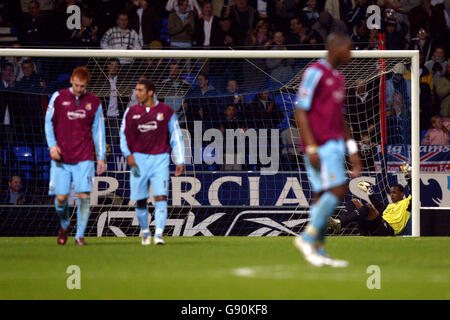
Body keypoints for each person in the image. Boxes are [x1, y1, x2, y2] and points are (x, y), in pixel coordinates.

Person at [293, 33, 362, 267]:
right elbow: (300, 110)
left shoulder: (339, 78)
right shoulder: (315, 73)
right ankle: (308, 237)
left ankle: (318, 252)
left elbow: (340, 118)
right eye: (349, 49)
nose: (351, 54)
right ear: (336, 48)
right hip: (319, 145)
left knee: (322, 195)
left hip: (334, 144)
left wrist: (352, 150)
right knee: (338, 189)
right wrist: (311, 145)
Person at [45, 66, 106, 246]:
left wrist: (100, 157)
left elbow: (98, 131)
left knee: (84, 196)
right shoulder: (58, 97)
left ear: (87, 84)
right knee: (61, 199)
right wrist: (52, 146)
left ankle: (79, 235)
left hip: (84, 156)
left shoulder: (94, 102)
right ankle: (65, 224)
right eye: (77, 85)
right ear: (71, 79)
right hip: (61, 156)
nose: (79, 89)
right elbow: (48, 124)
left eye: (82, 86)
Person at [120, 79, 185, 245]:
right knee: (140, 199)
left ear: (150, 92)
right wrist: (128, 154)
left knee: (160, 196)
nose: (137, 93)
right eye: (136, 90)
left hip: (160, 159)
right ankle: (145, 232)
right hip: (138, 160)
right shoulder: (131, 112)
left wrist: (180, 159)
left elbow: (176, 136)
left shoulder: (167, 111)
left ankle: (159, 234)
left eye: (140, 90)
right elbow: (123, 135)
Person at [329, 163, 413, 236]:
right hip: (378, 224)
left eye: (394, 192)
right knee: (355, 202)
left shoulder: (406, 203)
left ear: (402, 193)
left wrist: (407, 176)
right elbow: (379, 207)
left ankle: (340, 223)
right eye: (390, 193)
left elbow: (414, 190)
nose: (391, 195)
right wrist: (369, 191)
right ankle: (339, 222)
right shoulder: (390, 206)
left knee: (368, 207)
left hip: (388, 229)